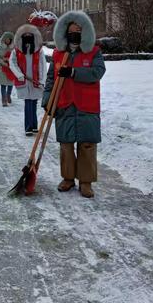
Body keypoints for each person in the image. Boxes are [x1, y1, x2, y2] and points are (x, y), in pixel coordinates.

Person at [42, 11, 106, 198]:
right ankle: (68, 178)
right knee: (66, 144)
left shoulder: (94, 52)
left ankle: (85, 182)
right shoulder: (58, 54)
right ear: (64, 32)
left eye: (78, 30)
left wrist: (73, 72)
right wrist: (47, 100)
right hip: (65, 104)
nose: (74, 34)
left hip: (87, 105)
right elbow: (50, 79)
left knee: (87, 144)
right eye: (71, 31)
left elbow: (97, 72)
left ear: (85, 32)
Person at [10, 24, 47, 136]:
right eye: (25, 35)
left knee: (34, 102)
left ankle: (34, 125)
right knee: (28, 103)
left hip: (35, 81)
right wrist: (19, 74)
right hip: (24, 81)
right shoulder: (17, 51)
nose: (27, 37)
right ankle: (28, 127)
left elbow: (43, 66)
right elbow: (12, 63)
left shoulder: (38, 51)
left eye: (29, 35)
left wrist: (42, 80)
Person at [0, 31, 15, 107]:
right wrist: (1, 61)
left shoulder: (13, 48)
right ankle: (4, 99)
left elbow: (16, 57)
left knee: (10, 84)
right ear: (4, 39)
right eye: (7, 39)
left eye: (9, 39)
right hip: (2, 68)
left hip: (11, 68)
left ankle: (8, 95)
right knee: (3, 85)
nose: (8, 40)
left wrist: (9, 60)